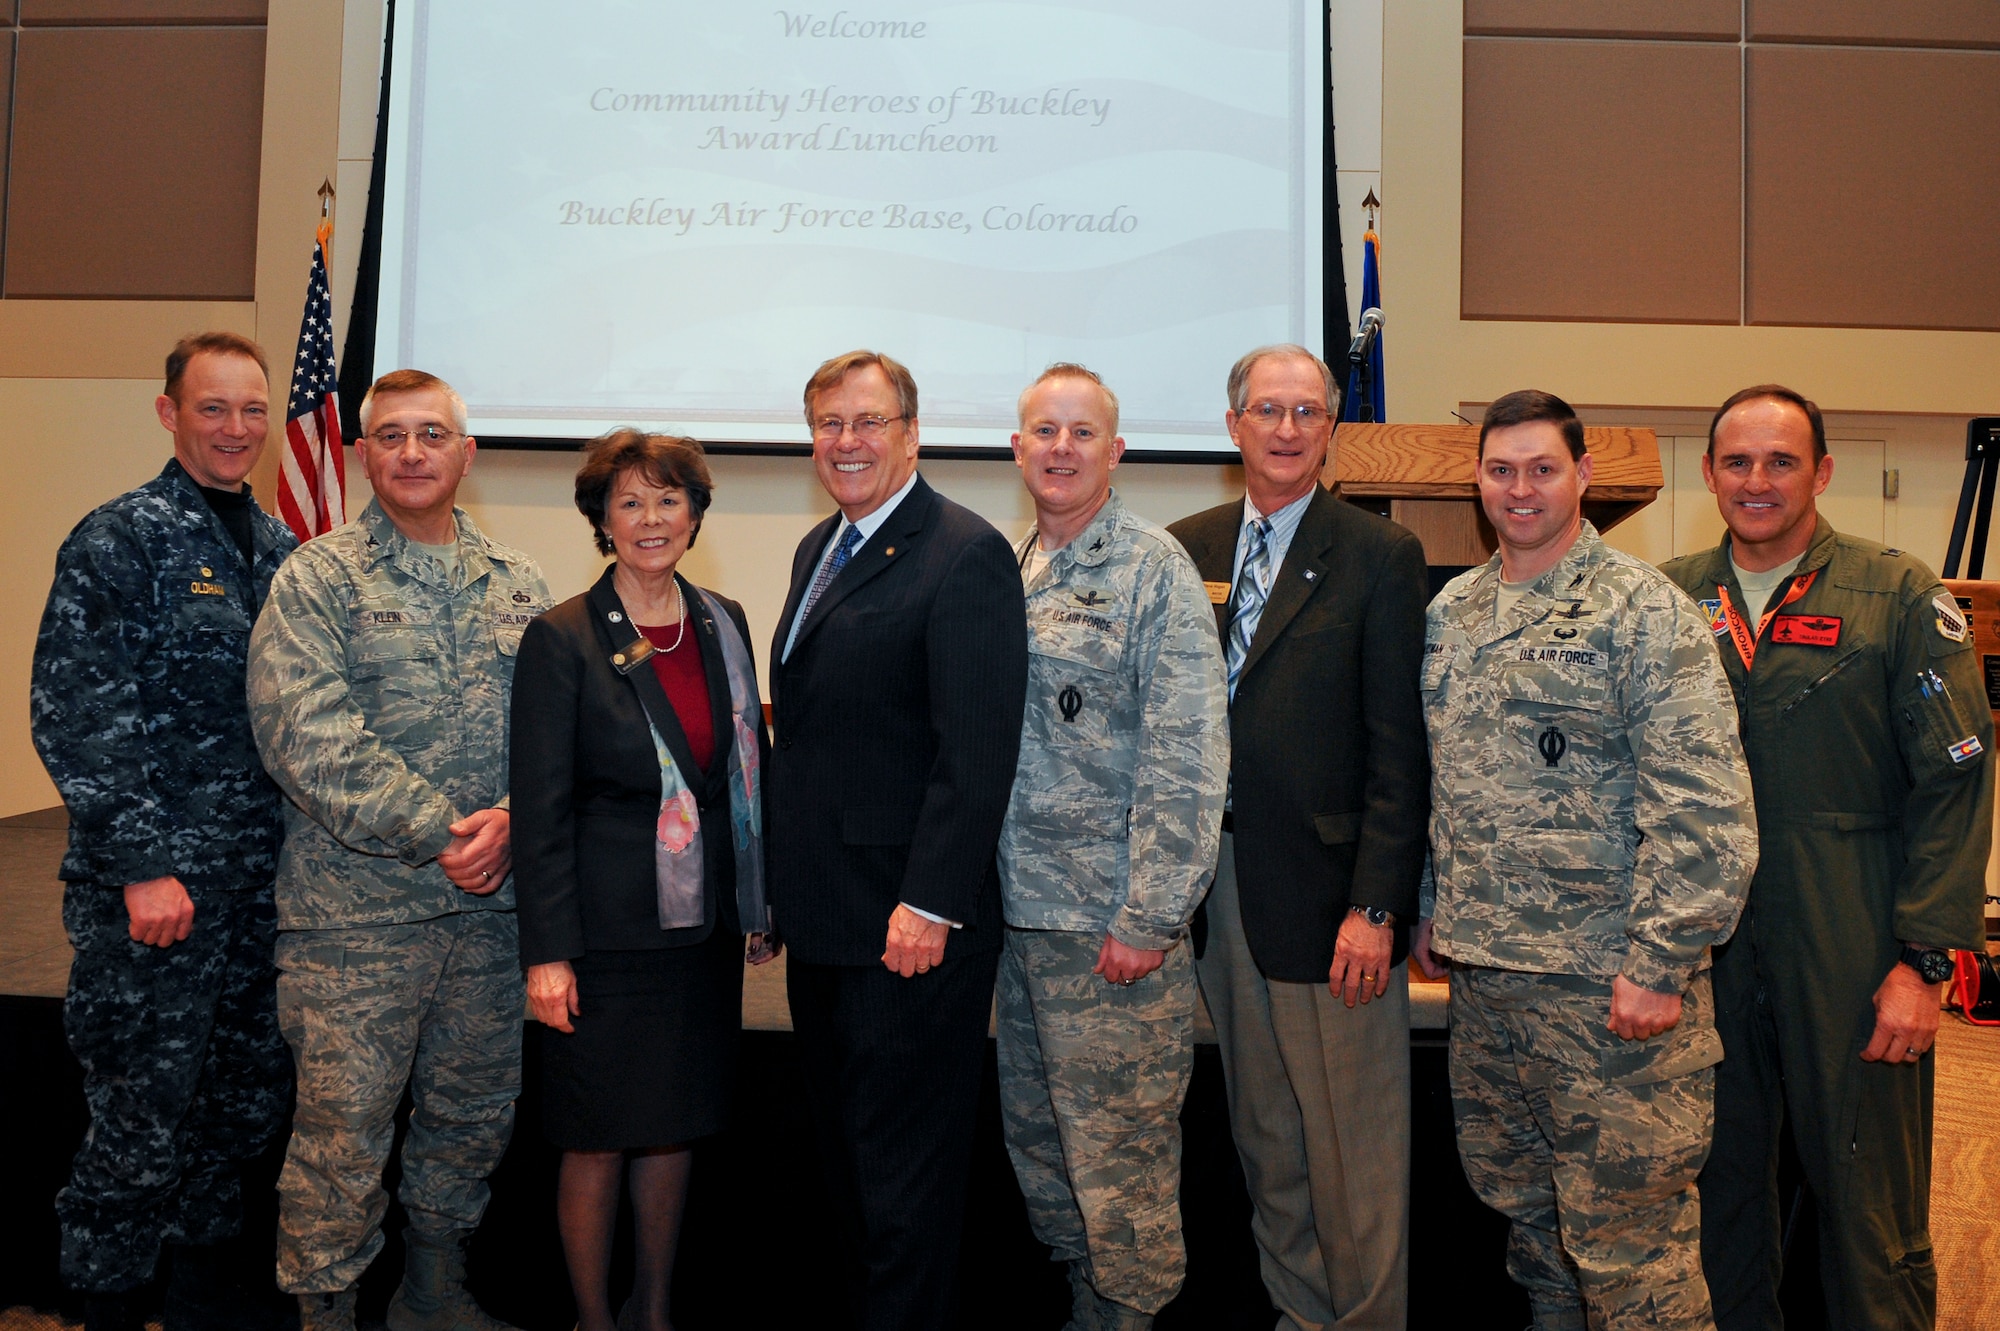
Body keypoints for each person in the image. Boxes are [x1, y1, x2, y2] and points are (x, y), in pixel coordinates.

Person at [1413, 389, 1758, 1330]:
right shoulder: (1452, 611)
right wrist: (1432, 904)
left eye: (1543, 468)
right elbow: (1448, 777)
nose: (1520, 490)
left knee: (1635, 1260)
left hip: (1613, 1001)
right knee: (1537, 1241)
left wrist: (1659, 964)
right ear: (1477, 479)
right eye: (1501, 470)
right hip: (1492, 995)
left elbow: (1707, 812)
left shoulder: (1645, 612)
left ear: (1583, 476)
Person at [1661, 386, 1993, 1331]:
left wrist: (1924, 961)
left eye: (1781, 461)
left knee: (1866, 1203)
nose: (1757, 481)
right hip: (1709, 948)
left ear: (1823, 471)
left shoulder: (1897, 594)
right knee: (1716, 1198)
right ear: (1710, 473)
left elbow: (1955, 782)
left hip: (1850, 938)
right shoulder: (1671, 596)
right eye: (1737, 461)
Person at [248, 369, 552, 1331]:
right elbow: (306, 736)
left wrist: (515, 816)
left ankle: (434, 1294)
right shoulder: (317, 578)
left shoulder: (523, 585)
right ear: (364, 452)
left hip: (492, 917)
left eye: (432, 434)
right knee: (341, 1136)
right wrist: (446, 834)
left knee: (469, 1121)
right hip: (358, 921)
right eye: (391, 436)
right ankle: (326, 1313)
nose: (413, 452)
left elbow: (563, 736)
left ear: (467, 453)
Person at [30, 332, 298, 1331]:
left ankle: (197, 1306)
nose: (235, 428)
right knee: (138, 1122)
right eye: (213, 407)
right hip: (157, 902)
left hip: (257, 895)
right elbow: (78, 713)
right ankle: (104, 1312)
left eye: (251, 409)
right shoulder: (119, 539)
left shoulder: (279, 551)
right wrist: (144, 864)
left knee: (237, 1114)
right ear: (169, 412)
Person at [1166, 344, 1430, 1331]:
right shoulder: (1182, 546)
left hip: (1329, 900)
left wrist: (1375, 905)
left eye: (1305, 411)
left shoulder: (1376, 554)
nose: (1285, 427)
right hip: (1213, 886)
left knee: (1347, 1149)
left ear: (1328, 428)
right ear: (1232, 424)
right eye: (1266, 409)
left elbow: (1398, 752)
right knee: (1267, 1137)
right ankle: (1297, 1313)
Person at [766, 349, 1029, 1330]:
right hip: (828, 924)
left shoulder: (961, 552)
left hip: (905, 934)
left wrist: (926, 902)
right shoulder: (815, 549)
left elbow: (975, 754)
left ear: (911, 432)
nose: (847, 441)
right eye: (829, 423)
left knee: (902, 1189)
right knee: (848, 1172)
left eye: (866, 421)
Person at [510, 430, 779, 1331]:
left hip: (696, 934)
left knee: (674, 1124)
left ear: (696, 514)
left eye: (669, 499)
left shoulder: (724, 619)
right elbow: (540, 810)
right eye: (629, 502)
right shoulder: (561, 637)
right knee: (595, 1137)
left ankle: (653, 1310)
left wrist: (758, 897)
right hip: (603, 940)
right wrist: (547, 955)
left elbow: (748, 771)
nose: (651, 518)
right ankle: (593, 1318)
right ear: (602, 520)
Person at [995, 364, 1229, 1331]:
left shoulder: (1151, 568)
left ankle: (1123, 1315)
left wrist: (1150, 914)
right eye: (1043, 430)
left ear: (1115, 450)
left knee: (1120, 1169)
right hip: (1019, 925)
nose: (1060, 447)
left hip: (1109, 935)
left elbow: (1189, 752)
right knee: (1044, 1151)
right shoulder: (1009, 566)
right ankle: (1087, 1307)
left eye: (1082, 432)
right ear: (1017, 448)